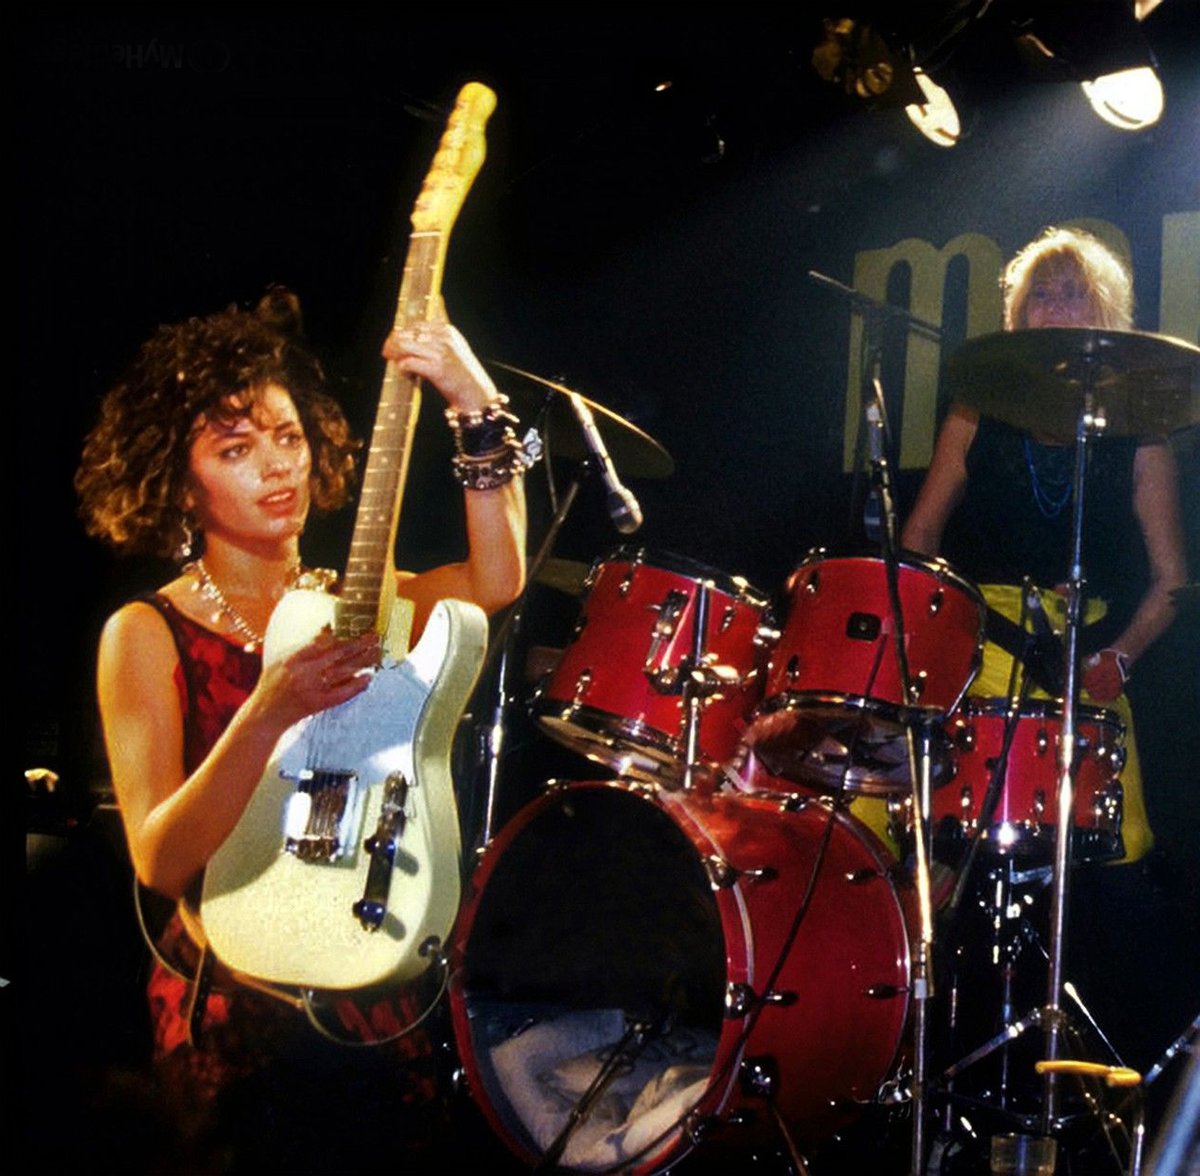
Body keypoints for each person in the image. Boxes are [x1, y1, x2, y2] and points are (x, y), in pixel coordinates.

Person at [75, 288, 527, 1162]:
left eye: (288, 436)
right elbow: (161, 860)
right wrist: (270, 706)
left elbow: (496, 580)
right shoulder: (143, 633)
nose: (278, 467)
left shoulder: (353, 603)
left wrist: (474, 403)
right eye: (237, 450)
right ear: (178, 482)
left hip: (371, 983)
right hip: (231, 1003)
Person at [902, 226, 1186, 865]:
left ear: (1103, 315)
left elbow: (1171, 579)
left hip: (1083, 658)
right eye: (1042, 296)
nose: (1055, 308)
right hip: (977, 645)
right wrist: (929, 638)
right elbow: (919, 534)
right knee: (944, 836)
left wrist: (1121, 655)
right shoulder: (976, 413)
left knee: (1103, 845)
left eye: (1073, 294)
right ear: (1019, 314)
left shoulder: (1141, 435)